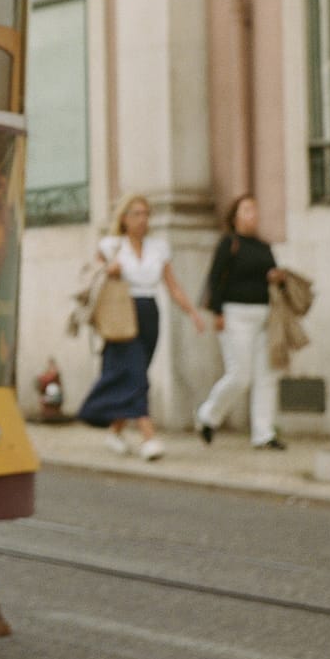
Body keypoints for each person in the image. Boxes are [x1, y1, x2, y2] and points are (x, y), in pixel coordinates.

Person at [75, 193, 208, 461]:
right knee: (136, 375)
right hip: (121, 312)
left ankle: (115, 431)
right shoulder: (111, 246)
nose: (142, 219)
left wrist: (192, 311)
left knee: (136, 372)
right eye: (136, 213)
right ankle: (149, 436)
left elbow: (172, 285)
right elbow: (90, 279)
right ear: (124, 218)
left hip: (149, 312)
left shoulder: (158, 248)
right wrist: (108, 270)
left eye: (146, 214)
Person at [196, 192, 286, 449]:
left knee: (266, 376)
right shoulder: (229, 243)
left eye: (255, 210)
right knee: (240, 375)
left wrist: (276, 277)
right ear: (235, 217)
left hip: (264, 315)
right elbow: (214, 279)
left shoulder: (263, 247)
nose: (252, 215)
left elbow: (273, 278)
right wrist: (218, 313)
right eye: (246, 210)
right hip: (235, 315)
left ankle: (264, 433)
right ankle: (208, 415)